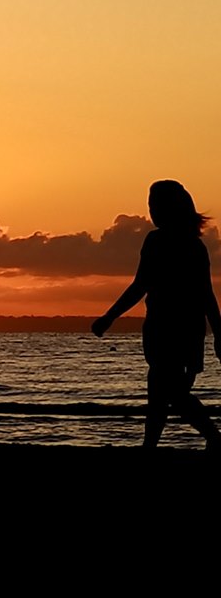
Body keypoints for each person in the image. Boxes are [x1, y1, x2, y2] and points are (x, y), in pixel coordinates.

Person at [92, 180, 221, 449]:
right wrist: (110, 316)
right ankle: (152, 445)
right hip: (164, 327)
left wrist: (219, 334)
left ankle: (212, 437)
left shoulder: (179, 245)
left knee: (171, 392)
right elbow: (142, 284)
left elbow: (204, 294)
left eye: (156, 205)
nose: (151, 211)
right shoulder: (171, 242)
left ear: (172, 208)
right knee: (161, 391)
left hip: (180, 329)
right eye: (150, 206)